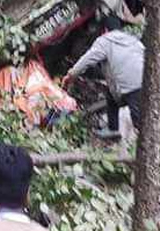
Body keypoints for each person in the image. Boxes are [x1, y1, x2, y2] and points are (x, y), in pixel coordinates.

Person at [61, 8, 145, 139]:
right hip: (146, 81)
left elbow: (87, 59)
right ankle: (113, 130)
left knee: (141, 126)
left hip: (131, 88)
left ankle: (144, 152)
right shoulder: (131, 39)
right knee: (111, 97)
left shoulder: (105, 41)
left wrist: (71, 74)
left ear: (104, 29)